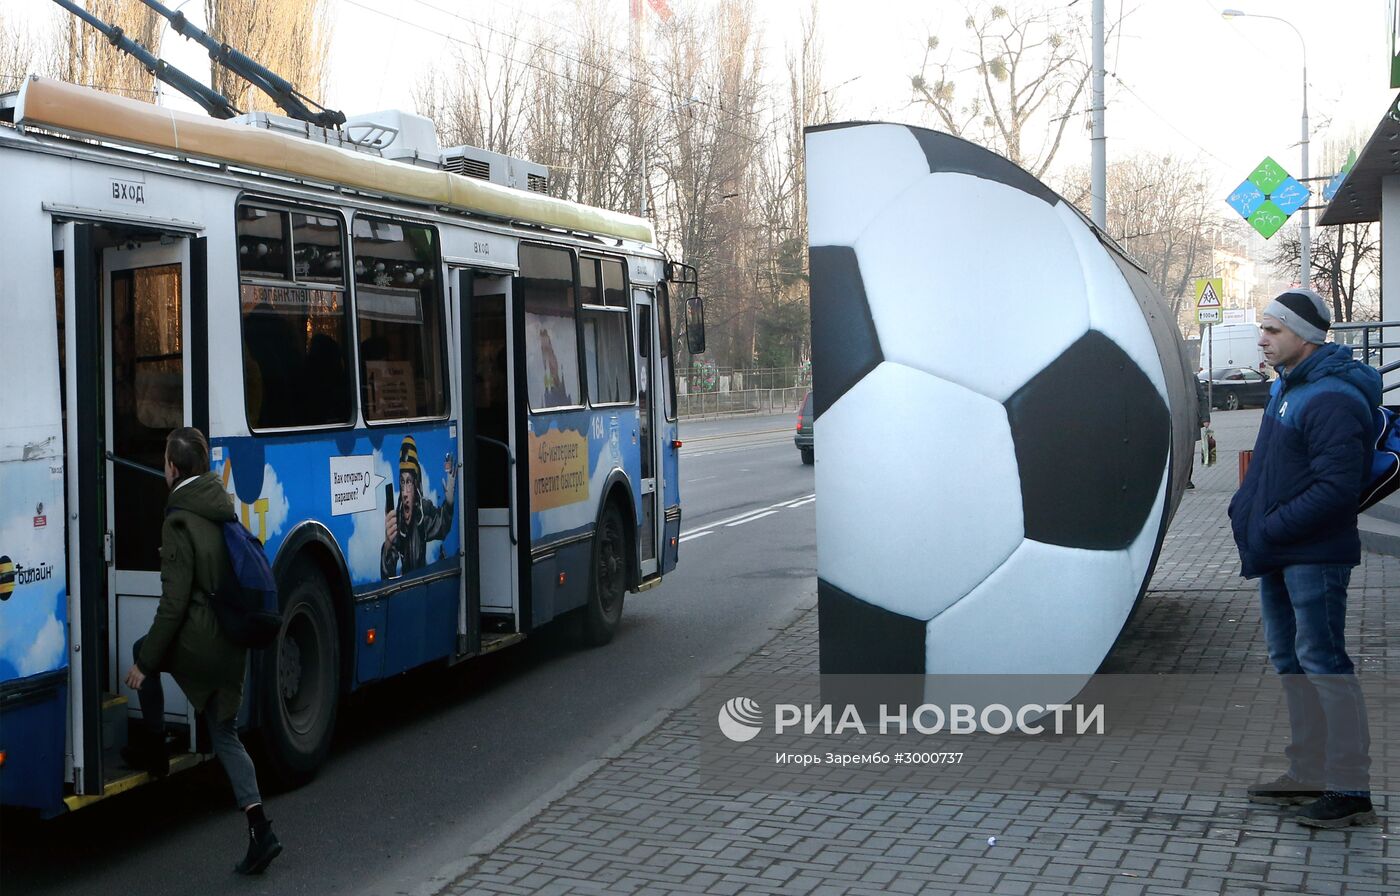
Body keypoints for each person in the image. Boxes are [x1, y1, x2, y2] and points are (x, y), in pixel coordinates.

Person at [1228, 288, 1381, 829]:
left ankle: (1349, 789)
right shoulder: (1288, 389)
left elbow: (1335, 490)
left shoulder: (1332, 397)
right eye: (1263, 328)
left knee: (1324, 665)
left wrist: (1269, 526)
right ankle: (1308, 772)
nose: (1262, 338)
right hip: (1281, 551)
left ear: (1306, 337)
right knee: (1292, 663)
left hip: (1313, 555)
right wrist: (1248, 513)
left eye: (1273, 329)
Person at [123, 427, 284, 873]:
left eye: (164, 461)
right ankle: (260, 830)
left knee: (142, 650)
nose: (162, 467)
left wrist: (144, 664)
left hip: (202, 642)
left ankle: (155, 750)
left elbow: (174, 607)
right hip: (231, 639)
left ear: (173, 469)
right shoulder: (218, 505)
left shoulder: (177, 519)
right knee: (225, 734)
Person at [382, 435, 456, 578]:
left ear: (415, 484)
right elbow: (387, 576)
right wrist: (387, 546)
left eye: (408, 482)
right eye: (402, 482)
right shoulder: (396, 518)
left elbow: (443, 526)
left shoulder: (424, 511)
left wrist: (450, 502)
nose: (404, 493)